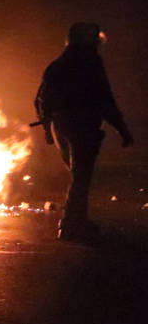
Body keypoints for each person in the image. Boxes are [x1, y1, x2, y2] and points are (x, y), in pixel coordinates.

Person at [35, 22, 133, 242]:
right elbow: (104, 98)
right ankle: (71, 225)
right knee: (81, 176)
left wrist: (48, 130)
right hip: (82, 126)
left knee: (77, 175)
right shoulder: (90, 64)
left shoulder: (57, 65)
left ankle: (78, 219)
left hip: (60, 126)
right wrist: (122, 129)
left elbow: (41, 99)